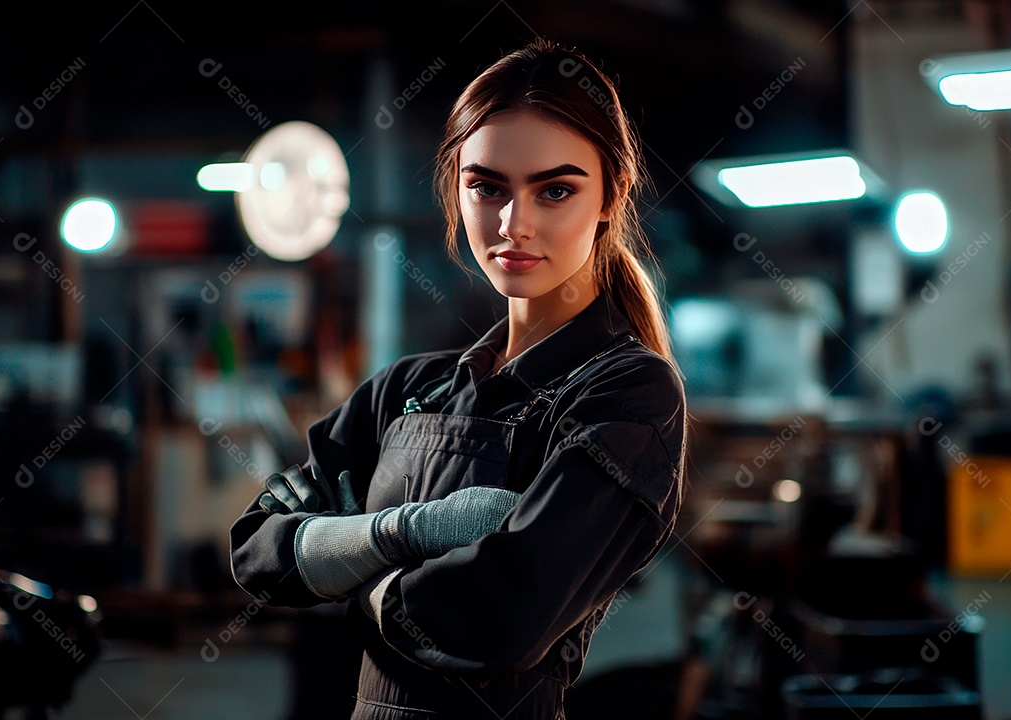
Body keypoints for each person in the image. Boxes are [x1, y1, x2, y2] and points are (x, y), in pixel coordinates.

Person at [229, 37, 688, 720]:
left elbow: (501, 616)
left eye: (555, 190)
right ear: (457, 188)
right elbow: (258, 552)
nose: (513, 224)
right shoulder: (404, 390)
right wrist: (404, 536)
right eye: (487, 187)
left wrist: (348, 567)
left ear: (611, 195)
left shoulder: (627, 394)